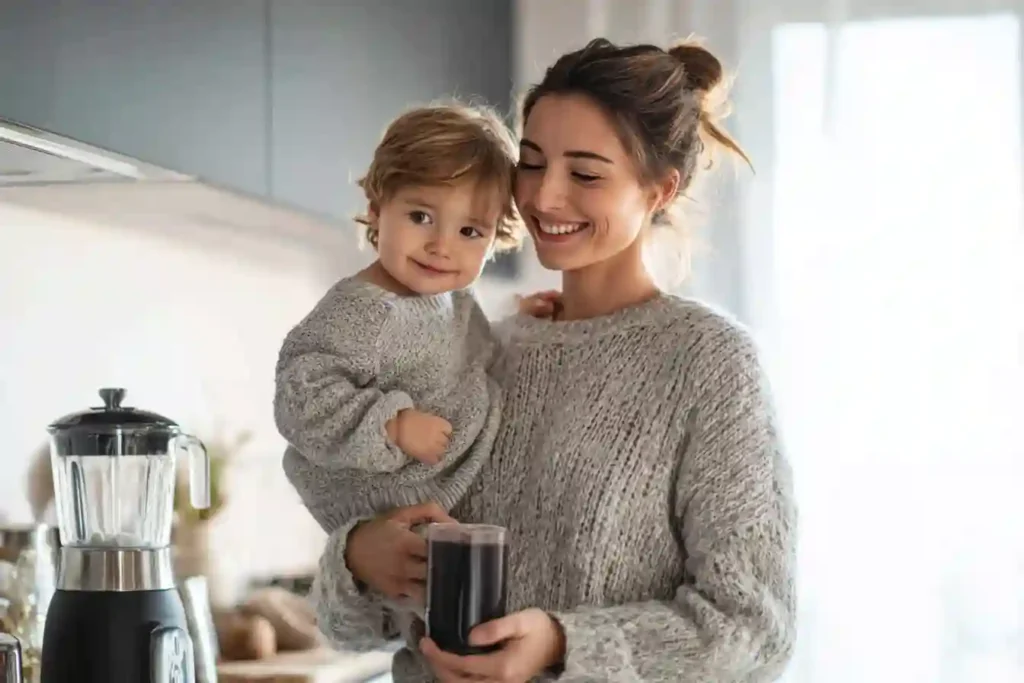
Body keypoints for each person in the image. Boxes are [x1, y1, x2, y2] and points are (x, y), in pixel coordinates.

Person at [303, 37, 798, 682]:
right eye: (531, 163)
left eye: (586, 173)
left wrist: (565, 643)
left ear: (659, 190)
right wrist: (358, 560)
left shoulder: (708, 364)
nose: (545, 198)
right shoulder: (481, 347)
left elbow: (755, 627)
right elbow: (356, 626)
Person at [274, 103, 526, 628]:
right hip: (382, 497)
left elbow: (474, 360)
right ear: (377, 203)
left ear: (494, 237)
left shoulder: (451, 299)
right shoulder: (362, 311)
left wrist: (523, 320)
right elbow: (300, 396)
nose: (441, 246)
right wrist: (391, 425)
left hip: (442, 504)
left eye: (470, 232)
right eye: (421, 217)